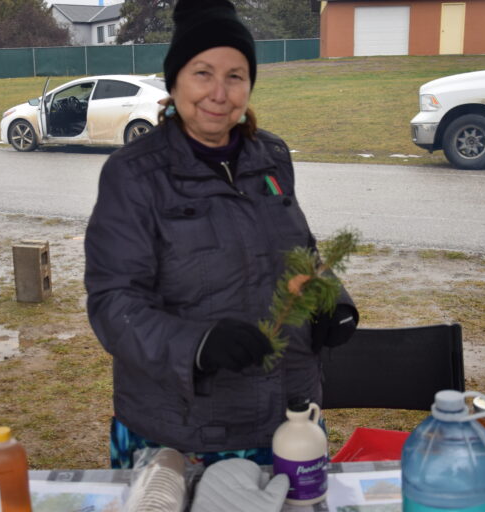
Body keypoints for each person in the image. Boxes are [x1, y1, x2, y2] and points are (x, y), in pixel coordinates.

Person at [84, 0, 358, 469]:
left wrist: (333, 300)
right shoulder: (134, 174)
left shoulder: (271, 157)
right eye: (203, 73)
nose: (219, 92)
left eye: (235, 76)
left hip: (289, 417)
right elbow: (113, 303)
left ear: (249, 85)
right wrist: (197, 345)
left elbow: (301, 254)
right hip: (184, 432)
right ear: (174, 82)